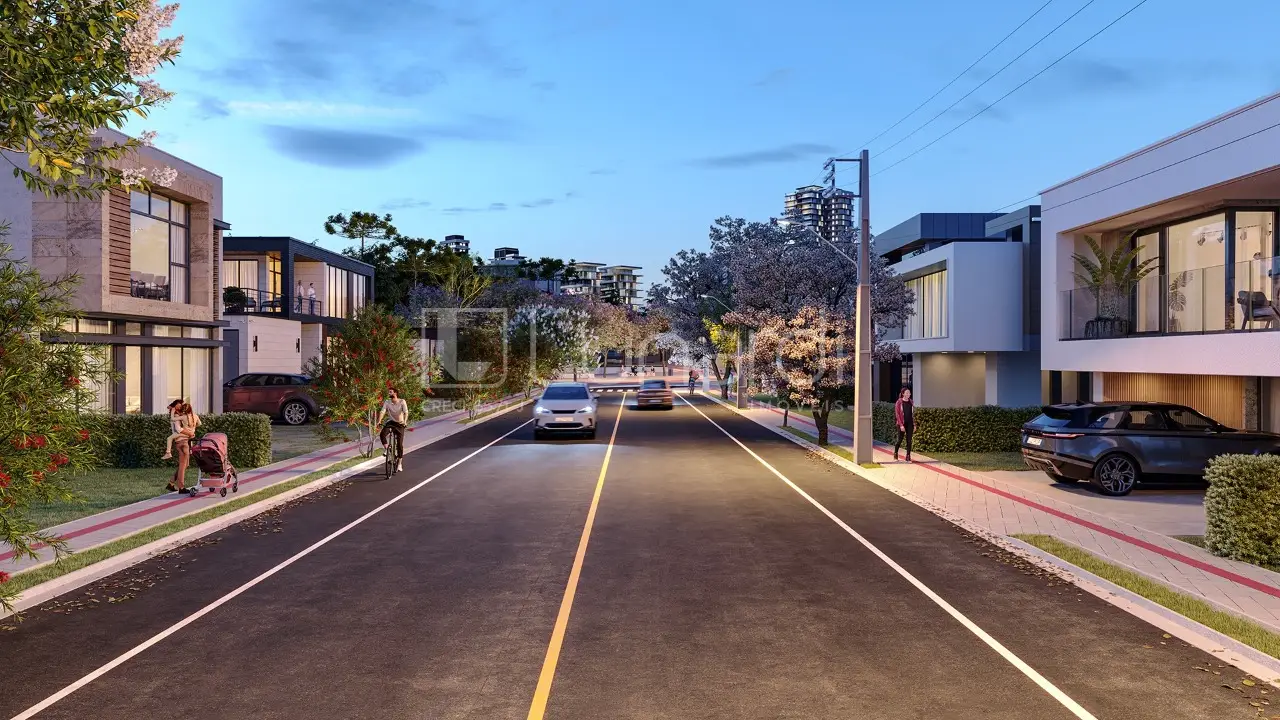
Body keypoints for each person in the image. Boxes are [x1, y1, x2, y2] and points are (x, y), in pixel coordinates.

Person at [164, 400, 199, 493]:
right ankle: (181, 488)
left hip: (185, 441)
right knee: (183, 465)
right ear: (176, 406)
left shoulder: (181, 416)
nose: (182, 406)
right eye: (180, 405)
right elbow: (178, 429)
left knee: (184, 465)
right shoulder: (177, 416)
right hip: (182, 441)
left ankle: (171, 483)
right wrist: (190, 433)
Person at [377, 387, 409, 473]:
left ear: (395, 393)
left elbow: (406, 412)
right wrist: (379, 421)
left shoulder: (402, 401)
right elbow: (382, 411)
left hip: (400, 424)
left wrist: (405, 422)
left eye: (390, 392)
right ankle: (388, 450)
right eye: (389, 392)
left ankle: (399, 464)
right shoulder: (387, 402)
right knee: (382, 434)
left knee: (399, 445)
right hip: (391, 422)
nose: (389, 393)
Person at [894, 387, 914, 462]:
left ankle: (908, 456)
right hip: (901, 423)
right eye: (907, 393)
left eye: (909, 393)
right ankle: (896, 452)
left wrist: (914, 424)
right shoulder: (899, 402)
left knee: (909, 441)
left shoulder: (911, 402)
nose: (909, 394)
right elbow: (897, 414)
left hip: (910, 423)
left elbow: (913, 414)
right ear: (903, 394)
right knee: (900, 440)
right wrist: (901, 425)